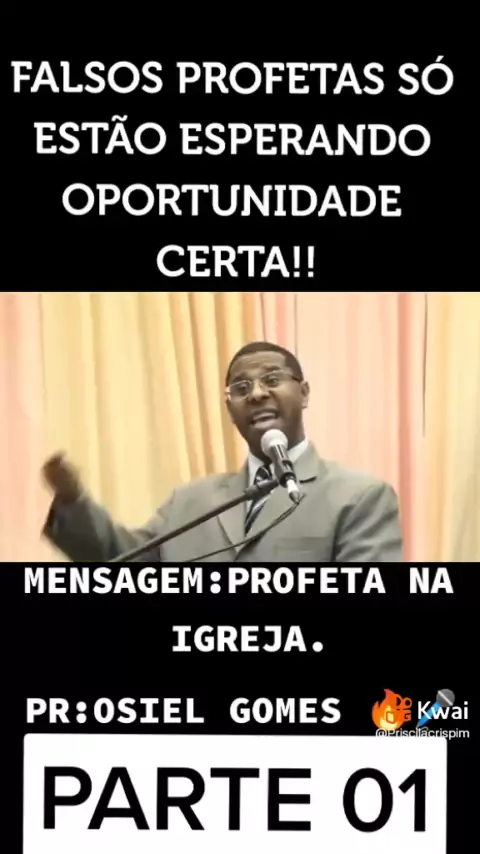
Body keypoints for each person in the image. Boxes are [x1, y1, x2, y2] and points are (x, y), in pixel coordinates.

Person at [42, 341, 403, 562]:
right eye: (241, 388)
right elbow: (121, 562)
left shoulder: (360, 497)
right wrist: (75, 502)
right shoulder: (189, 503)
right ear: (230, 409)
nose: (257, 394)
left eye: (272, 380)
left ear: (304, 393)